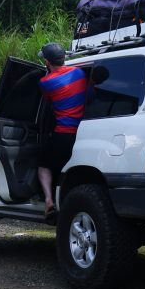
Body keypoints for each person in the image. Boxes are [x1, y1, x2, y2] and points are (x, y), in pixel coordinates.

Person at [37, 42, 88, 221]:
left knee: (44, 166)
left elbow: (47, 101)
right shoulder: (80, 73)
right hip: (82, 133)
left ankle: (49, 200)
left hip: (63, 133)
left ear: (47, 62)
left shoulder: (46, 82)